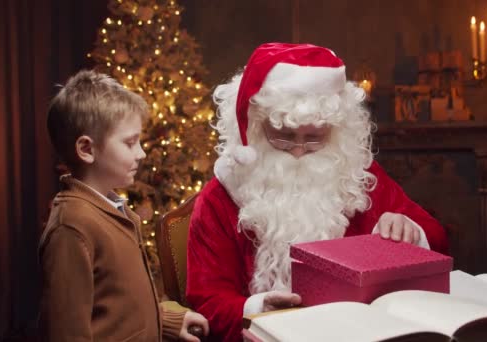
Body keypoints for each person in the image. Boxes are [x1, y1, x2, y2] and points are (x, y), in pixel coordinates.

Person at [186, 43, 449, 341]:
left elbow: (436, 236)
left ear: (336, 131)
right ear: (256, 127)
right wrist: (257, 309)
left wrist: (409, 230)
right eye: (283, 136)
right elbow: (207, 300)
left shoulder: (356, 175)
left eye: (314, 138)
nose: (298, 151)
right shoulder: (221, 197)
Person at [39, 70, 209, 341]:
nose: (141, 153)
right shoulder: (72, 227)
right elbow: (66, 332)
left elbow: (117, 305)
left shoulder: (115, 209)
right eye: (130, 143)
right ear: (86, 149)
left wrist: (167, 321)